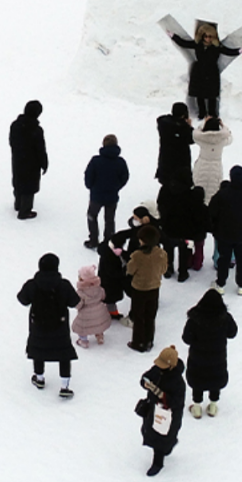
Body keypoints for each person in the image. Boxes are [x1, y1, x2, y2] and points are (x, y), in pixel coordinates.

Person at [17, 253, 80, 398]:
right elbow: (74, 302)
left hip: (38, 325)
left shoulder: (32, 284)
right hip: (60, 326)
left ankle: (39, 378)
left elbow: (22, 299)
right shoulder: (63, 285)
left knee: (38, 350)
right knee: (63, 354)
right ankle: (64, 386)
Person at [208, 166, 242, 296]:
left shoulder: (222, 195)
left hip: (224, 234)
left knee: (224, 259)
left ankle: (220, 284)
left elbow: (212, 212)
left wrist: (215, 228)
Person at [182, 289, 238, 418]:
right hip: (217, 359)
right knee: (215, 380)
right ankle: (213, 406)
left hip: (197, 359)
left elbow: (186, 339)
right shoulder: (224, 318)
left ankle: (196, 408)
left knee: (198, 381)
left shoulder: (194, 319)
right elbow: (233, 333)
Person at [170, 21, 242, 118]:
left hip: (211, 71)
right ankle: (202, 112)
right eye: (206, 36)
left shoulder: (217, 46)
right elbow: (184, 43)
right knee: (199, 94)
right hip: (199, 70)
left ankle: (212, 113)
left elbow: (228, 51)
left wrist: (239, 51)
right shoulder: (198, 44)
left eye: (210, 36)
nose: (208, 39)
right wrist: (173, 36)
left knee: (211, 94)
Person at [138, 346, 186, 476]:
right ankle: (168, 446)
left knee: (161, 439)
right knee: (152, 432)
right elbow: (145, 377)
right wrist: (145, 383)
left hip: (169, 416)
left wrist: (159, 394)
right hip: (154, 410)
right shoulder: (157, 370)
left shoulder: (178, 383)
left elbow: (176, 403)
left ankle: (158, 462)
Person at [125, 225, 168, 353]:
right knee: (150, 315)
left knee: (139, 316)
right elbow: (164, 269)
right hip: (154, 288)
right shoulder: (161, 254)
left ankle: (138, 342)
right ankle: (149, 340)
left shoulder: (137, 256)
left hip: (139, 289)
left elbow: (130, 270)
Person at [83, 134, 129, 249]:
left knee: (92, 215)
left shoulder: (96, 161)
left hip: (96, 196)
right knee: (110, 219)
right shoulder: (120, 162)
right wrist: (117, 187)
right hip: (112, 196)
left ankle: (93, 239)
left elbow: (88, 176)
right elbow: (125, 177)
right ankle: (109, 241)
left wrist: (91, 187)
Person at [9, 100, 48, 219]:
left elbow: (11, 141)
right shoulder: (36, 130)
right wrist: (44, 163)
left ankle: (18, 204)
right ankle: (25, 211)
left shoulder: (15, 125)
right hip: (31, 163)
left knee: (18, 181)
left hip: (18, 159)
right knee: (29, 187)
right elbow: (40, 149)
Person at [157, 173, 200, 282]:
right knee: (184, 250)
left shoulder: (165, 189)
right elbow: (194, 211)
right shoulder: (190, 193)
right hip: (184, 228)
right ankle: (182, 272)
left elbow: (160, 204)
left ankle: (168, 269)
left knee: (168, 248)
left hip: (168, 226)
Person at [192, 117, 232, 202]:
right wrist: (223, 125)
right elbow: (229, 136)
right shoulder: (222, 140)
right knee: (213, 190)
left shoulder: (201, 139)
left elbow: (195, 133)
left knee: (199, 188)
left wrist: (203, 123)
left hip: (202, 165)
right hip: (216, 167)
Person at [71, 265, 111, 349]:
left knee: (82, 328)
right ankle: (99, 336)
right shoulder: (99, 288)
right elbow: (103, 296)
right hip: (99, 310)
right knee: (98, 324)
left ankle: (83, 341)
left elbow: (79, 304)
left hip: (86, 314)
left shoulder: (81, 292)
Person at [155, 102, 193, 184]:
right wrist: (189, 126)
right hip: (181, 162)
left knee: (166, 184)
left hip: (165, 160)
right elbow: (192, 139)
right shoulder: (183, 128)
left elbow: (162, 118)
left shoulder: (164, 124)